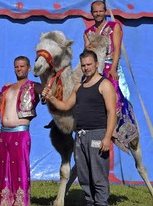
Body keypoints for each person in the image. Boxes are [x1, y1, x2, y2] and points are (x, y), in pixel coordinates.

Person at [43, 50, 116, 206]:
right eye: (83, 65)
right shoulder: (79, 87)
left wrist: (107, 137)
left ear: (97, 64)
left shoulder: (105, 85)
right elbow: (65, 106)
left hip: (97, 135)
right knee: (84, 177)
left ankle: (101, 203)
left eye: (89, 64)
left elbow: (111, 113)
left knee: (98, 177)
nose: (86, 68)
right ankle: (90, 202)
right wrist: (51, 98)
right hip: (80, 137)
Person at [0, 56, 42, 205]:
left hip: (20, 134)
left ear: (28, 68)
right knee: (3, 171)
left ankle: (21, 202)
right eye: (16, 66)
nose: (19, 69)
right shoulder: (6, 89)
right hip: (4, 134)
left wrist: (46, 88)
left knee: (20, 171)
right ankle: (4, 202)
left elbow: (46, 90)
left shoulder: (33, 86)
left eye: (22, 66)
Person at [84, 0, 137, 153]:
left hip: (109, 66)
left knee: (114, 94)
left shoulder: (115, 27)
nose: (98, 14)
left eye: (101, 11)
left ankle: (113, 128)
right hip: (93, 69)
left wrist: (113, 67)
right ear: (92, 13)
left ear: (105, 11)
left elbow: (117, 50)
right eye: (95, 11)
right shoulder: (88, 33)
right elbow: (87, 54)